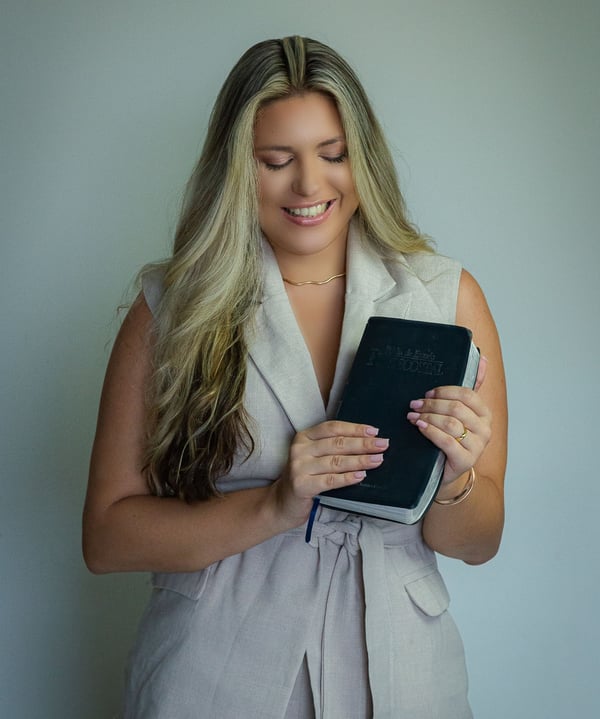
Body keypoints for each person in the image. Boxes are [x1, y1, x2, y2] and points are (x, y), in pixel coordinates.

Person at [83, 35, 507, 719]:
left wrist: (455, 480)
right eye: (276, 161)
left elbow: (481, 542)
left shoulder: (446, 297)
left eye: (333, 155)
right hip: (213, 671)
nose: (309, 186)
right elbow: (106, 538)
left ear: (363, 158)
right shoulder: (170, 307)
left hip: (401, 674)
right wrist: (275, 504)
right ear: (236, 169)